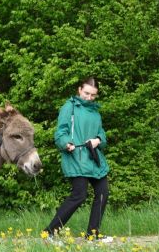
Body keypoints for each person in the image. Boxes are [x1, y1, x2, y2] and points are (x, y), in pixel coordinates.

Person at [44, 77, 113, 242]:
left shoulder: (95, 111)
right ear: (79, 90)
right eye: (86, 93)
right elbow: (61, 132)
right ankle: (49, 233)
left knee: (103, 193)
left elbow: (102, 134)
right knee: (79, 195)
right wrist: (66, 143)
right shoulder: (69, 107)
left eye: (93, 95)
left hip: (94, 158)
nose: (89, 98)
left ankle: (92, 234)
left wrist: (98, 140)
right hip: (75, 157)